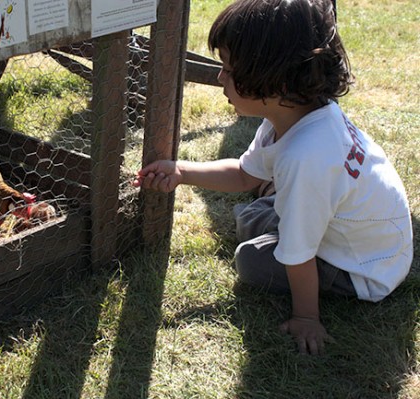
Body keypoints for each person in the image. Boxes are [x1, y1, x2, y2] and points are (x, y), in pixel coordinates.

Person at [133, 0, 413, 355]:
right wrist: (182, 171)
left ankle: (285, 216)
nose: (220, 78)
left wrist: (306, 317)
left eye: (229, 70)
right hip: (366, 236)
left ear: (274, 79)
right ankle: (281, 204)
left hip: (366, 269)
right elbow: (243, 174)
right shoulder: (296, 116)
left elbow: (298, 256)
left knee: (251, 259)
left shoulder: (306, 156)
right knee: (253, 217)